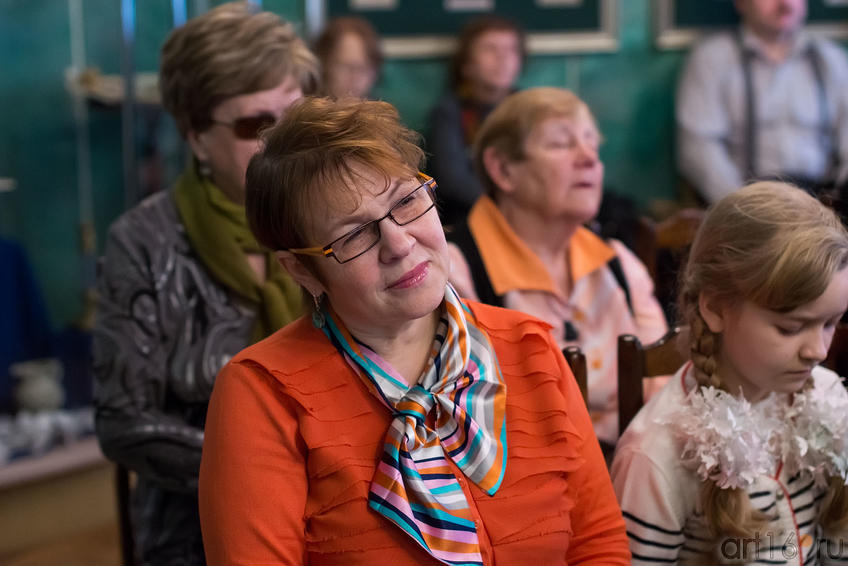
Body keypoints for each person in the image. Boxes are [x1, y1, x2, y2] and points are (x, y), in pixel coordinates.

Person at [198, 97, 631, 565]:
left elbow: (598, 543)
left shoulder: (529, 347)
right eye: (353, 235)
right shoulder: (263, 393)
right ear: (301, 270)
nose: (399, 244)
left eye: (406, 201)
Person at [92, 4, 318, 564]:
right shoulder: (144, 242)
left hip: (349, 512)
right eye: (254, 125)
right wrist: (274, 471)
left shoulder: (335, 217)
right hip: (197, 532)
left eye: (294, 115)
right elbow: (124, 423)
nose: (283, 140)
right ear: (195, 136)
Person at [611, 182, 848, 564]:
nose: (818, 351)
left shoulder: (829, 398)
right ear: (716, 309)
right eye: (790, 328)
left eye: (831, 323)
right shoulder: (658, 454)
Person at [448, 87, 668, 446]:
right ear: (503, 169)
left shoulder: (618, 262)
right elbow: (477, 418)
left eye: (592, 144)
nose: (589, 159)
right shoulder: (456, 274)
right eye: (561, 144)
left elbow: (663, 383)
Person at [676, 0, 848, 203]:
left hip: (823, 201)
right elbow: (699, 149)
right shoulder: (712, 60)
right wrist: (742, 205)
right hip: (748, 202)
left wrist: (836, 201)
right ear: (741, 3)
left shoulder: (832, 60)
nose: (785, 4)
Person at [426, 15, 524, 227]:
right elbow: (452, 181)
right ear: (467, 65)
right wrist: (509, 208)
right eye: (490, 49)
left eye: (511, 50)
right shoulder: (450, 112)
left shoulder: (530, 109)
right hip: (472, 220)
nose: (503, 58)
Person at [313, 16, 382, 100]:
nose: (355, 78)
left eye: (363, 69)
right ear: (324, 64)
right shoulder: (305, 107)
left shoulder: (382, 107)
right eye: (346, 66)